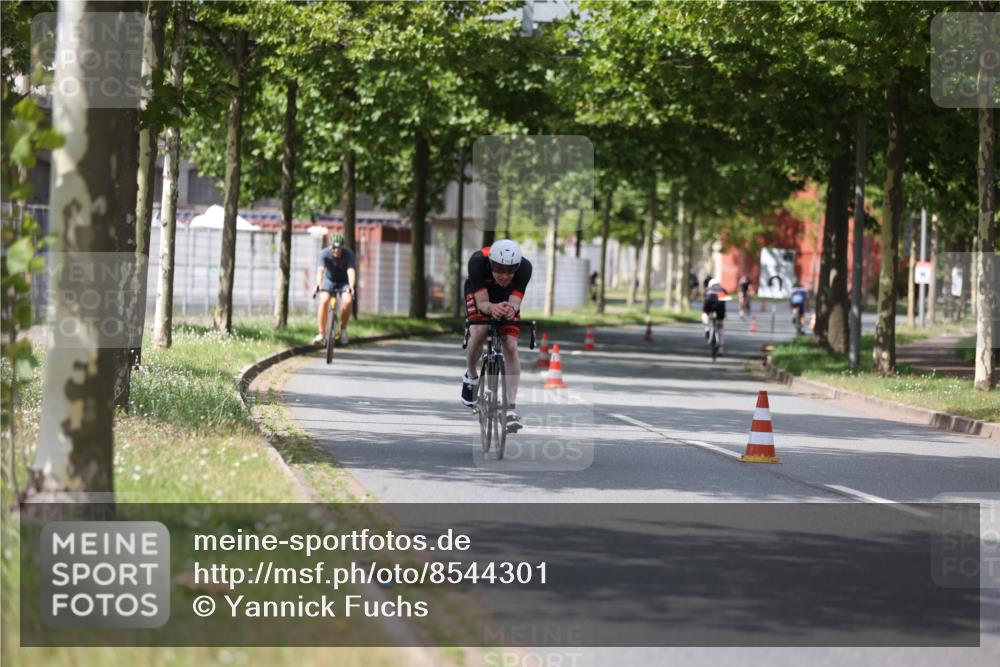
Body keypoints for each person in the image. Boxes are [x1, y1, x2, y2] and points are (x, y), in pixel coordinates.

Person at [461, 239, 532, 433]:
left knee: (510, 345)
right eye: (499, 270)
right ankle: (471, 375)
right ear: (491, 263)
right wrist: (492, 308)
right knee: (479, 330)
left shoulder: (525, 268)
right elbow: (483, 304)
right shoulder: (477, 262)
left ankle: (509, 408)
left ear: (517, 267)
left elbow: (516, 302)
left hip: (506, 297)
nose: (504, 275)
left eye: (510, 271)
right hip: (480, 294)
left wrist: (511, 309)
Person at [313, 233, 356, 346]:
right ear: (330, 247)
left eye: (339, 249)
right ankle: (321, 333)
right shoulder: (324, 253)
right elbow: (321, 270)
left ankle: (343, 330)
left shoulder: (348, 254)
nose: (337, 251)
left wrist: (351, 286)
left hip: (344, 282)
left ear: (343, 247)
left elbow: (350, 271)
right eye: (334, 248)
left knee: (347, 300)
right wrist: (318, 284)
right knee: (324, 300)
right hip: (329, 281)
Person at [701, 278, 728, 353]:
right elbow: (725, 300)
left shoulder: (708, 290)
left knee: (705, 313)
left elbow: (705, 299)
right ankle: (721, 347)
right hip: (720, 305)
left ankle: (706, 327)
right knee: (720, 325)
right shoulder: (722, 290)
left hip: (709, 301)